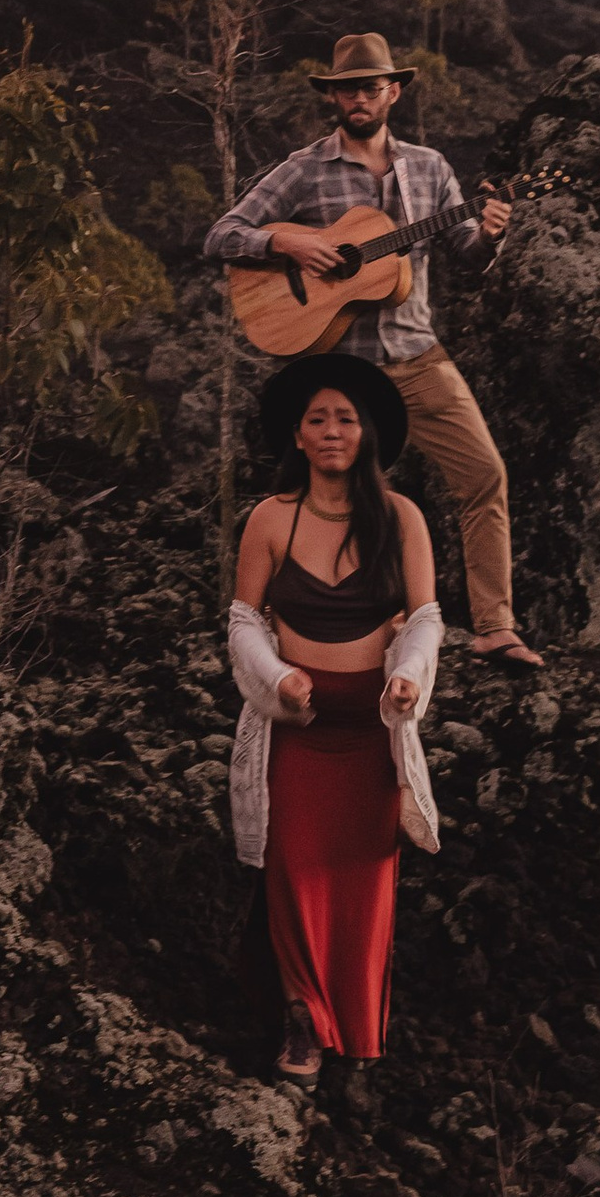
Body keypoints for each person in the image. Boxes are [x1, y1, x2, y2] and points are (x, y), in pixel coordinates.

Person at [204, 30, 542, 671]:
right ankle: (327, 638)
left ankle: (495, 627)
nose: (358, 97)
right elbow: (223, 235)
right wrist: (291, 246)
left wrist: (492, 235)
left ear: (393, 91)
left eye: (369, 86)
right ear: (332, 96)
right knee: (339, 505)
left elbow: (466, 257)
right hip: (342, 374)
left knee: (485, 475)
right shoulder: (305, 170)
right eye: (346, 88)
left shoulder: (431, 168)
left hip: (418, 357)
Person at [227, 353, 443, 1083]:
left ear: (367, 433)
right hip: (299, 731)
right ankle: (301, 1025)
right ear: (296, 433)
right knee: (292, 873)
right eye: (318, 418)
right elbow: (244, 621)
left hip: (370, 735)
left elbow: (424, 619)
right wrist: (276, 674)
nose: (331, 431)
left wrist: (410, 676)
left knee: (362, 883)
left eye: (345, 419)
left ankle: (351, 1026)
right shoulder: (270, 518)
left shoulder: (402, 518)